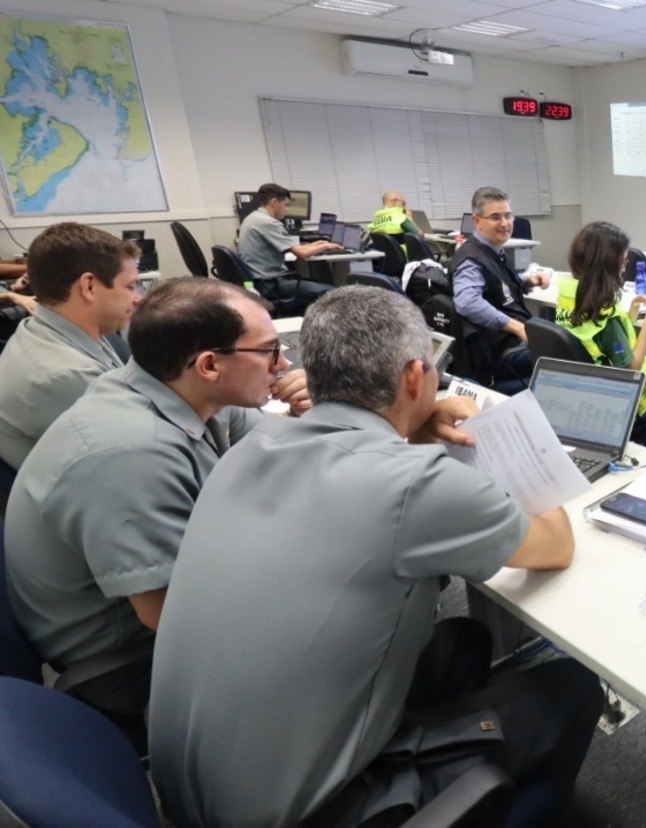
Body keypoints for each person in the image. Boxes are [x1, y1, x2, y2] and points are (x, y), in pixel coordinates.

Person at [149, 286, 602, 827]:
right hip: (309, 813)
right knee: (573, 687)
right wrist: (517, 448)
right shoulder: (415, 485)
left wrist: (415, 422)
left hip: (189, 788)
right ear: (415, 376)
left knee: (463, 642)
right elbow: (555, 545)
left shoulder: (252, 447)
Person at [4, 278, 285, 737]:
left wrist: (355, 418)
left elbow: (279, 442)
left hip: (173, 602)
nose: (284, 364)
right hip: (127, 664)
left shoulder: (169, 385)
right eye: (270, 351)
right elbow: (173, 617)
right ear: (211, 364)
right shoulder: (129, 452)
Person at [0, 223, 139, 470]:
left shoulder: (43, 329)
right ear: (89, 287)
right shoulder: (68, 375)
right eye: (129, 286)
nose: (137, 297)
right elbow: (141, 455)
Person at [555, 220, 646, 415]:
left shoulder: (568, 296)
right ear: (607, 265)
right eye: (622, 263)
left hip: (586, 394)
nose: (624, 269)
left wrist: (628, 316)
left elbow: (599, 341)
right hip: (628, 400)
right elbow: (632, 371)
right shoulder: (607, 316)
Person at [449, 186, 549, 382]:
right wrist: (517, 328)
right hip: (501, 351)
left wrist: (527, 282)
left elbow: (497, 286)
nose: (505, 223)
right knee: (565, 351)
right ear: (477, 221)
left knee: (561, 337)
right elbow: (467, 302)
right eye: (495, 217)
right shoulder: (471, 260)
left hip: (511, 341)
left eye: (508, 216)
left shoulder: (493, 250)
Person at [236, 182, 336, 313]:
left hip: (259, 282)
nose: (288, 209)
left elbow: (294, 246)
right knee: (331, 292)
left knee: (316, 284)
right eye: (286, 204)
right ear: (274, 202)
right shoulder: (268, 223)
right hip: (270, 284)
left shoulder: (252, 218)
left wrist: (321, 244)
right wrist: (327, 245)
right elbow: (301, 253)